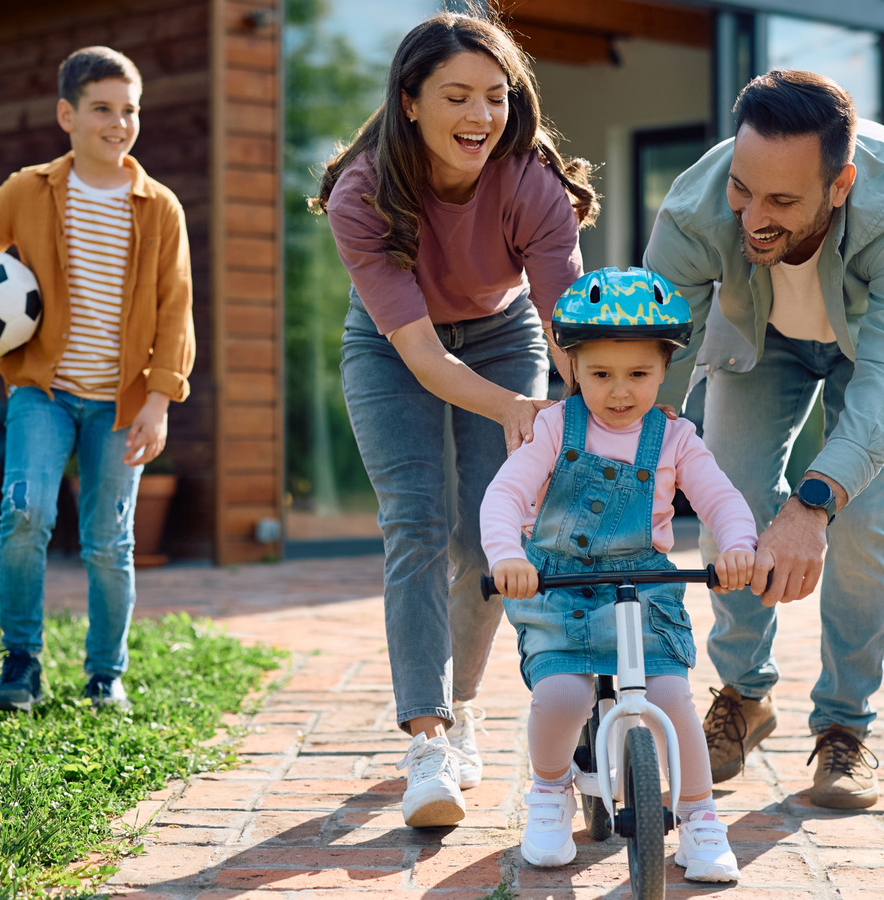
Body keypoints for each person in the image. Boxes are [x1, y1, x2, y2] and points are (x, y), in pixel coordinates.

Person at [644, 70, 884, 809]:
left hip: (883, 348)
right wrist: (624, 466)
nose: (752, 217)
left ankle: (845, 729)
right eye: (742, 189)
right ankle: (744, 696)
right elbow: (656, 353)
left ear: (840, 184)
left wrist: (814, 505)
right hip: (765, 337)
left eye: (782, 201)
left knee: (855, 524)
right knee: (729, 489)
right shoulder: (700, 208)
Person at [309, 12, 595, 827]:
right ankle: (428, 741)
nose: (480, 116)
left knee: (485, 536)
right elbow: (425, 359)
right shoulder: (362, 192)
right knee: (417, 524)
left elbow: (562, 324)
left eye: (496, 97)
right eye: (457, 97)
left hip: (505, 335)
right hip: (393, 345)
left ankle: (463, 704)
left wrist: (590, 401)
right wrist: (514, 410)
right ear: (409, 102)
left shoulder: (532, 183)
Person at [0, 46, 194, 713]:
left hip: (121, 404)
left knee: (107, 542)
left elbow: (176, 306)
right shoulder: (29, 191)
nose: (119, 123)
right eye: (102, 109)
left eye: (130, 110)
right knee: (25, 512)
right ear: (67, 114)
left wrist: (160, 399)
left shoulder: (159, 208)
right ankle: (20, 664)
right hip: (42, 392)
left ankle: (105, 674)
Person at [483, 267, 757, 878]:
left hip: (643, 588)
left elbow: (720, 498)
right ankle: (550, 790)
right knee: (562, 693)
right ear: (573, 367)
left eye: (638, 374)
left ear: (665, 369)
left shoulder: (676, 438)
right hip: (556, 588)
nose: (619, 391)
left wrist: (738, 544)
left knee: (670, 697)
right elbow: (504, 497)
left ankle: (698, 816)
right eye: (601, 374)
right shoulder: (554, 427)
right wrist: (508, 556)